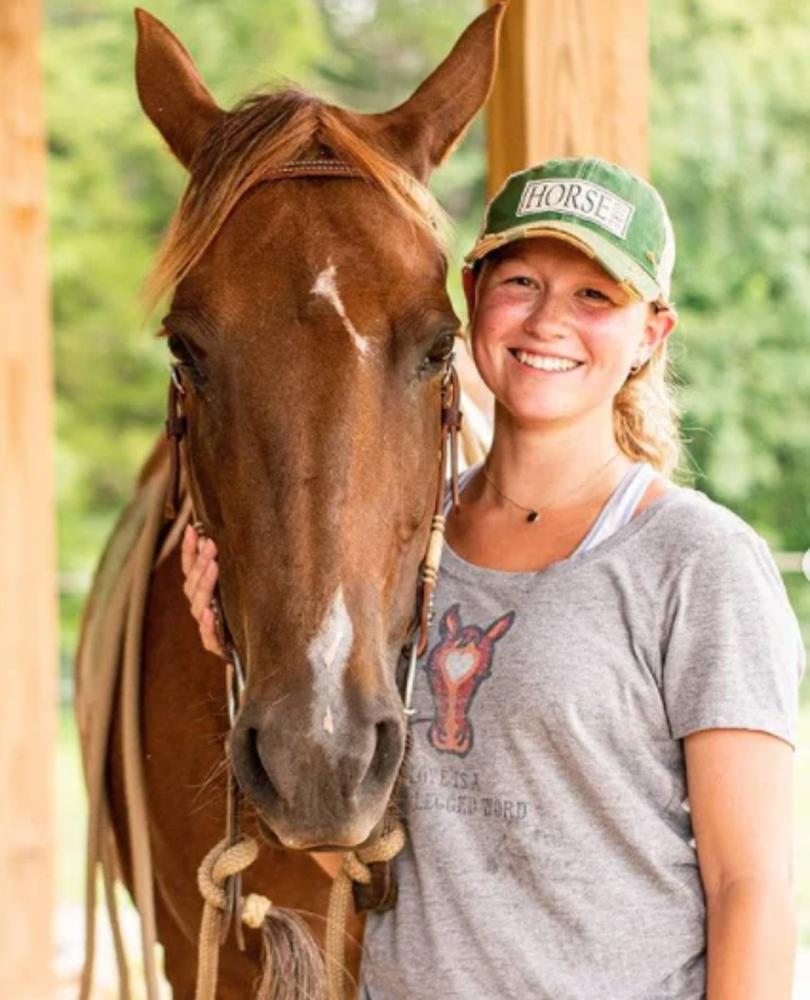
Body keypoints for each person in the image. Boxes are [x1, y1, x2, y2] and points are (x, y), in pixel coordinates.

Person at [180, 157, 806, 999]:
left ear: (650, 335)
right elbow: (365, 851)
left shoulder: (698, 562)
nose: (549, 321)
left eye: (595, 295)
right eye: (522, 281)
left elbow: (753, 889)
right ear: (472, 298)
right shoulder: (401, 554)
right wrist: (244, 643)